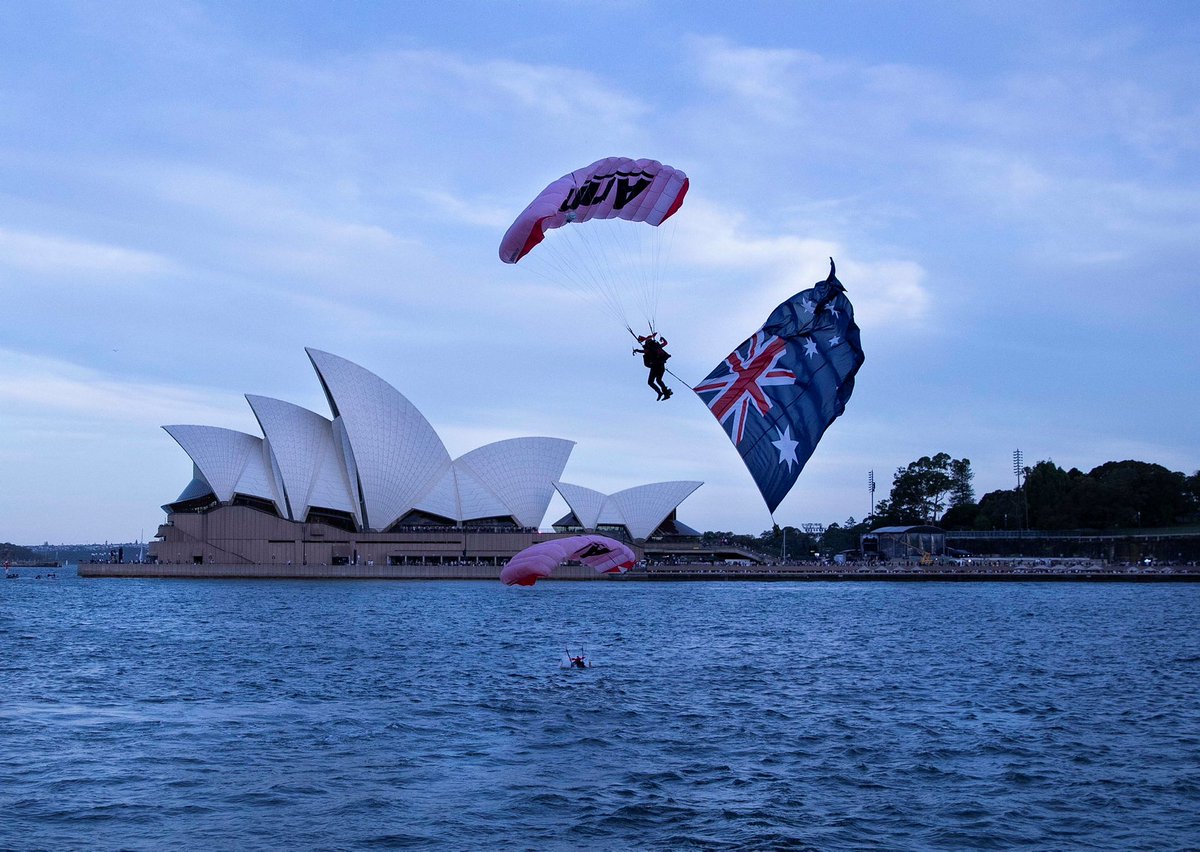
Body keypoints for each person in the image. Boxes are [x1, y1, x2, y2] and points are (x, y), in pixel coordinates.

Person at [633, 332, 672, 400]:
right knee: (659, 380)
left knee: (650, 382)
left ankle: (660, 393)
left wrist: (636, 350)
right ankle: (666, 394)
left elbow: (644, 351)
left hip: (655, 366)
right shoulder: (658, 346)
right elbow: (665, 343)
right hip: (661, 366)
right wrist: (662, 338)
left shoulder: (649, 348)